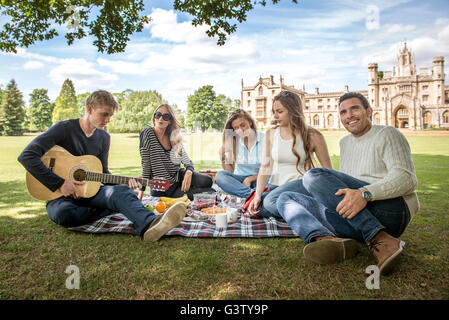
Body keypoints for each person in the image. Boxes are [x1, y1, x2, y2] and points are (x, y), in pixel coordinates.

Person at [276, 92, 419, 275]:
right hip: (354, 215)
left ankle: (381, 239)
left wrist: (364, 194)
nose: (348, 115)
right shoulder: (345, 142)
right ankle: (329, 240)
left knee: (312, 176)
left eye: (354, 109)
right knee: (285, 198)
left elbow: (407, 179)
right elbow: (344, 191)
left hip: (390, 211)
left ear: (369, 111)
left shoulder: (387, 134)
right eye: (343, 112)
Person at [18, 90, 186, 242]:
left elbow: (103, 173)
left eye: (110, 116)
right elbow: (27, 156)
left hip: (90, 193)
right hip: (59, 196)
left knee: (122, 192)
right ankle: (116, 207)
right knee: (64, 213)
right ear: (89, 109)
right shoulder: (63, 129)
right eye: (104, 114)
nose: (107, 120)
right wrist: (60, 184)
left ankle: (150, 224)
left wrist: (123, 183)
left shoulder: (104, 138)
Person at [247, 90, 332, 218]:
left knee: (270, 203)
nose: (275, 116)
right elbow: (265, 167)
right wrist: (257, 195)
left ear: (294, 110)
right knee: (258, 206)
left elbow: (328, 170)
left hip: (302, 184)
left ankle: (314, 210)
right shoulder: (271, 134)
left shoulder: (313, 135)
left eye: (280, 112)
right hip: (278, 185)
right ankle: (307, 209)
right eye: (274, 112)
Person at [138, 104, 214, 201]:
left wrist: (188, 172)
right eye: (158, 115)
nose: (160, 118)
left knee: (208, 181)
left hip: (178, 177)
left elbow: (187, 162)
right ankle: (191, 191)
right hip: (163, 189)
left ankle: (191, 189)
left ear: (170, 121)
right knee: (210, 192)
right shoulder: (147, 133)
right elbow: (146, 166)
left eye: (166, 116)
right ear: (154, 117)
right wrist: (140, 194)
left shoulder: (173, 137)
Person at [215, 109, 267, 199]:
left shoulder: (265, 139)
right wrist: (222, 156)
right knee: (220, 176)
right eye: (236, 128)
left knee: (273, 181)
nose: (240, 130)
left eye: (243, 125)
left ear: (250, 122)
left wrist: (249, 179)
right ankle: (252, 195)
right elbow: (229, 171)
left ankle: (249, 195)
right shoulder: (234, 141)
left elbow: (269, 171)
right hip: (240, 180)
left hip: (260, 178)